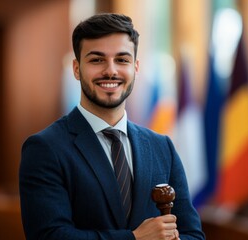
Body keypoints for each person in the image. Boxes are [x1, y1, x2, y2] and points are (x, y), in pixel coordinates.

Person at [19, 13, 205, 240]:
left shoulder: (161, 147)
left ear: (135, 67)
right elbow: (49, 236)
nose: (111, 70)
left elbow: (193, 235)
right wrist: (135, 238)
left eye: (122, 60)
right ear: (76, 69)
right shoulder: (45, 148)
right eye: (97, 60)